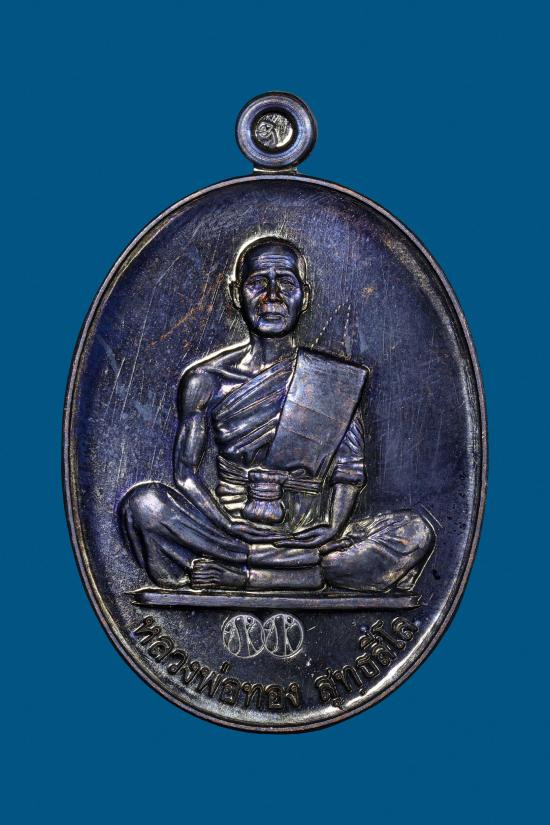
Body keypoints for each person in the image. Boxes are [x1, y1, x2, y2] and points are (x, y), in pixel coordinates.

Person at [119, 237, 434, 592]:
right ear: (237, 294)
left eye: (285, 283)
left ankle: (247, 575)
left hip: (307, 536)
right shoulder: (206, 380)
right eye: (258, 283)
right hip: (227, 532)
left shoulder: (333, 380)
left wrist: (331, 527)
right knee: (143, 507)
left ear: (305, 297)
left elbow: (348, 473)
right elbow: (186, 474)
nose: (272, 296)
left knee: (413, 532)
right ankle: (295, 573)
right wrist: (229, 524)